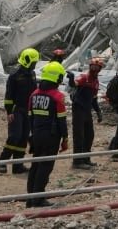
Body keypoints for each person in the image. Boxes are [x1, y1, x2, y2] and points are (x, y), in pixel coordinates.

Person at [26, 62, 69, 208]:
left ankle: (30, 198)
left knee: (35, 165)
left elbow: (30, 117)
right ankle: (38, 199)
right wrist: (65, 138)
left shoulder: (34, 95)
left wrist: (31, 136)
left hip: (36, 134)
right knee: (45, 167)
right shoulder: (58, 96)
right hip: (51, 137)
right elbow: (61, 120)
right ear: (57, 78)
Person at [0, 47, 40, 175]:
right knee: (14, 137)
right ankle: (2, 162)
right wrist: (9, 112)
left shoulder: (32, 75)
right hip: (16, 110)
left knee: (23, 138)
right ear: (27, 61)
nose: (35, 65)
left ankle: (18, 166)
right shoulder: (14, 76)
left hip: (28, 111)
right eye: (33, 62)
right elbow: (8, 96)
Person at [70, 57, 104, 170]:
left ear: (100, 69)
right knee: (79, 136)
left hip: (87, 110)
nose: (94, 69)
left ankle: (86, 158)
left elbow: (94, 99)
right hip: (78, 109)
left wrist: (98, 112)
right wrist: (70, 79)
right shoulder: (84, 77)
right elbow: (74, 84)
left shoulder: (96, 81)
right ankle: (77, 161)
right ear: (90, 67)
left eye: (97, 67)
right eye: (93, 67)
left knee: (89, 135)